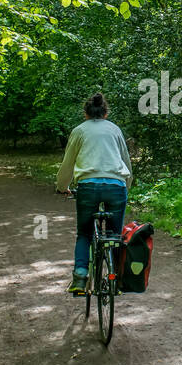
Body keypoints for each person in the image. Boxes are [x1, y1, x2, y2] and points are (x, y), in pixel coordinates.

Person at [55, 93, 132, 295]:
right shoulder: (115, 130)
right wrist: (127, 188)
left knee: (85, 234)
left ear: (85, 113)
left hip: (88, 187)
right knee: (115, 235)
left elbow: (68, 163)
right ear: (106, 112)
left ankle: (80, 279)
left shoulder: (79, 131)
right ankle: (117, 279)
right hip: (116, 186)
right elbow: (126, 162)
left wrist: (62, 186)